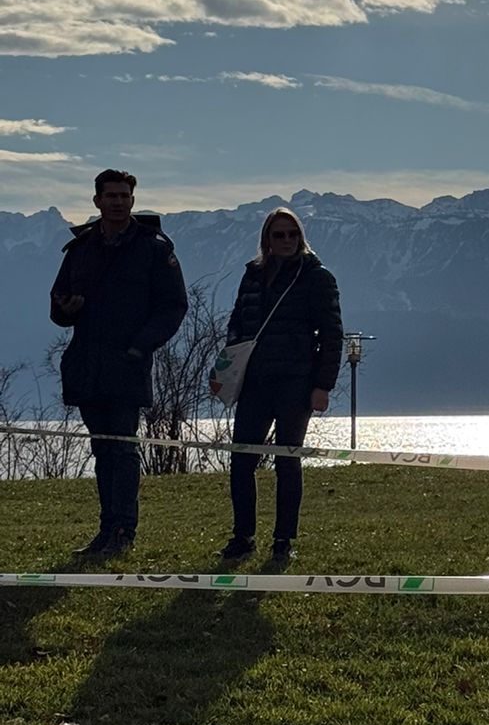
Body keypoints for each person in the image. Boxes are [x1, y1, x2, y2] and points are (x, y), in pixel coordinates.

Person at [49, 168, 189, 554]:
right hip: (87, 365)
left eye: (124, 196)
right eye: (110, 196)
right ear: (97, 200)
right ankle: (106, 530)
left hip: (128, 366)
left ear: (133, 200)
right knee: (102, 450)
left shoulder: (153, 249)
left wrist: (140, 347)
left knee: (124, 450)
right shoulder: (80, 249)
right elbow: (57, 304)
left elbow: (174, 306)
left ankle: (124, 532)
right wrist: (66, 309)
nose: (118, 202)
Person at [211, 206, 342, 562]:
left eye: (292, 234)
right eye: (279, 234)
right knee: (242, 460)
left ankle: (283, 540)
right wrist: (227, 368)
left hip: (296, 383)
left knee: (288, 460)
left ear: (301, 237)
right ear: (267, 239)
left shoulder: (317, 277)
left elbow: (332, 335)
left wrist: (322, 386)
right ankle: (243, 536)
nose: (287, 240)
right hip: (254, 381)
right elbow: (237, 323)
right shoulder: (253, 275)